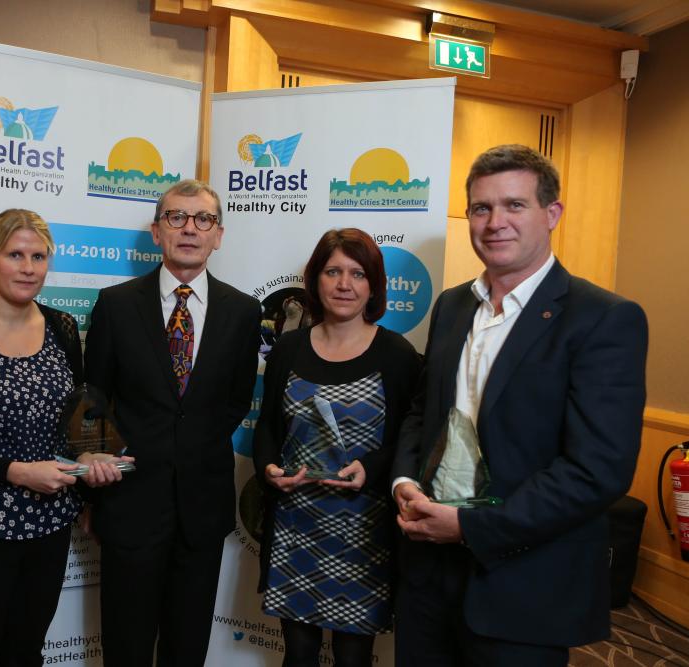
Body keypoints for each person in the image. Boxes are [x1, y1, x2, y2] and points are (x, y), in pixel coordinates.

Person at [391, 144, 649, 666]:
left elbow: (597, 469)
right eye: (481, 208)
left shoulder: (603, 318)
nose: (495, 223)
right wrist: (403, 481)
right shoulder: (452, 305)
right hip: (427, 574)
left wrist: (469, 528)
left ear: (552, 214)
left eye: (514, 205)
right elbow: (422, 411)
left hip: (524, 585)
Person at [0, 208, 124, 666]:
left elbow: (76, 423)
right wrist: (17, 472)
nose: (29, 268)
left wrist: (91, 461)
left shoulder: (62, 327)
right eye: (15, 255)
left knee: (26, 651)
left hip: (48, 522)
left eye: (39, 256)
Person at [84, 179, 261, 666]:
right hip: (129, 505)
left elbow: (234, 402)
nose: (189, 229)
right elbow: (93, 401)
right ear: (156, 231)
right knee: (127, 647)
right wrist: (95, 492)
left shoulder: (243, 312)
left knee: (187, 648)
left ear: (218, 236)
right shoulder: (117, 304)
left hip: (202, 510)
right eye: (176, 217)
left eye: (203, 219)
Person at [253, 228, 421, 666]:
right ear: (315, 280)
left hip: (364, 531)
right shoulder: (288, 349)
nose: (345, 284)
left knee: (353, 658)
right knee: (298, 654)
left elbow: (412, 438)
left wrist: (373, 467)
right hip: (295, 525)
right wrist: (268, 468)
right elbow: (268, 426)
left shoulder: (396, 354)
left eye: (358, 273)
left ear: (373, 286)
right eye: (333, 272)